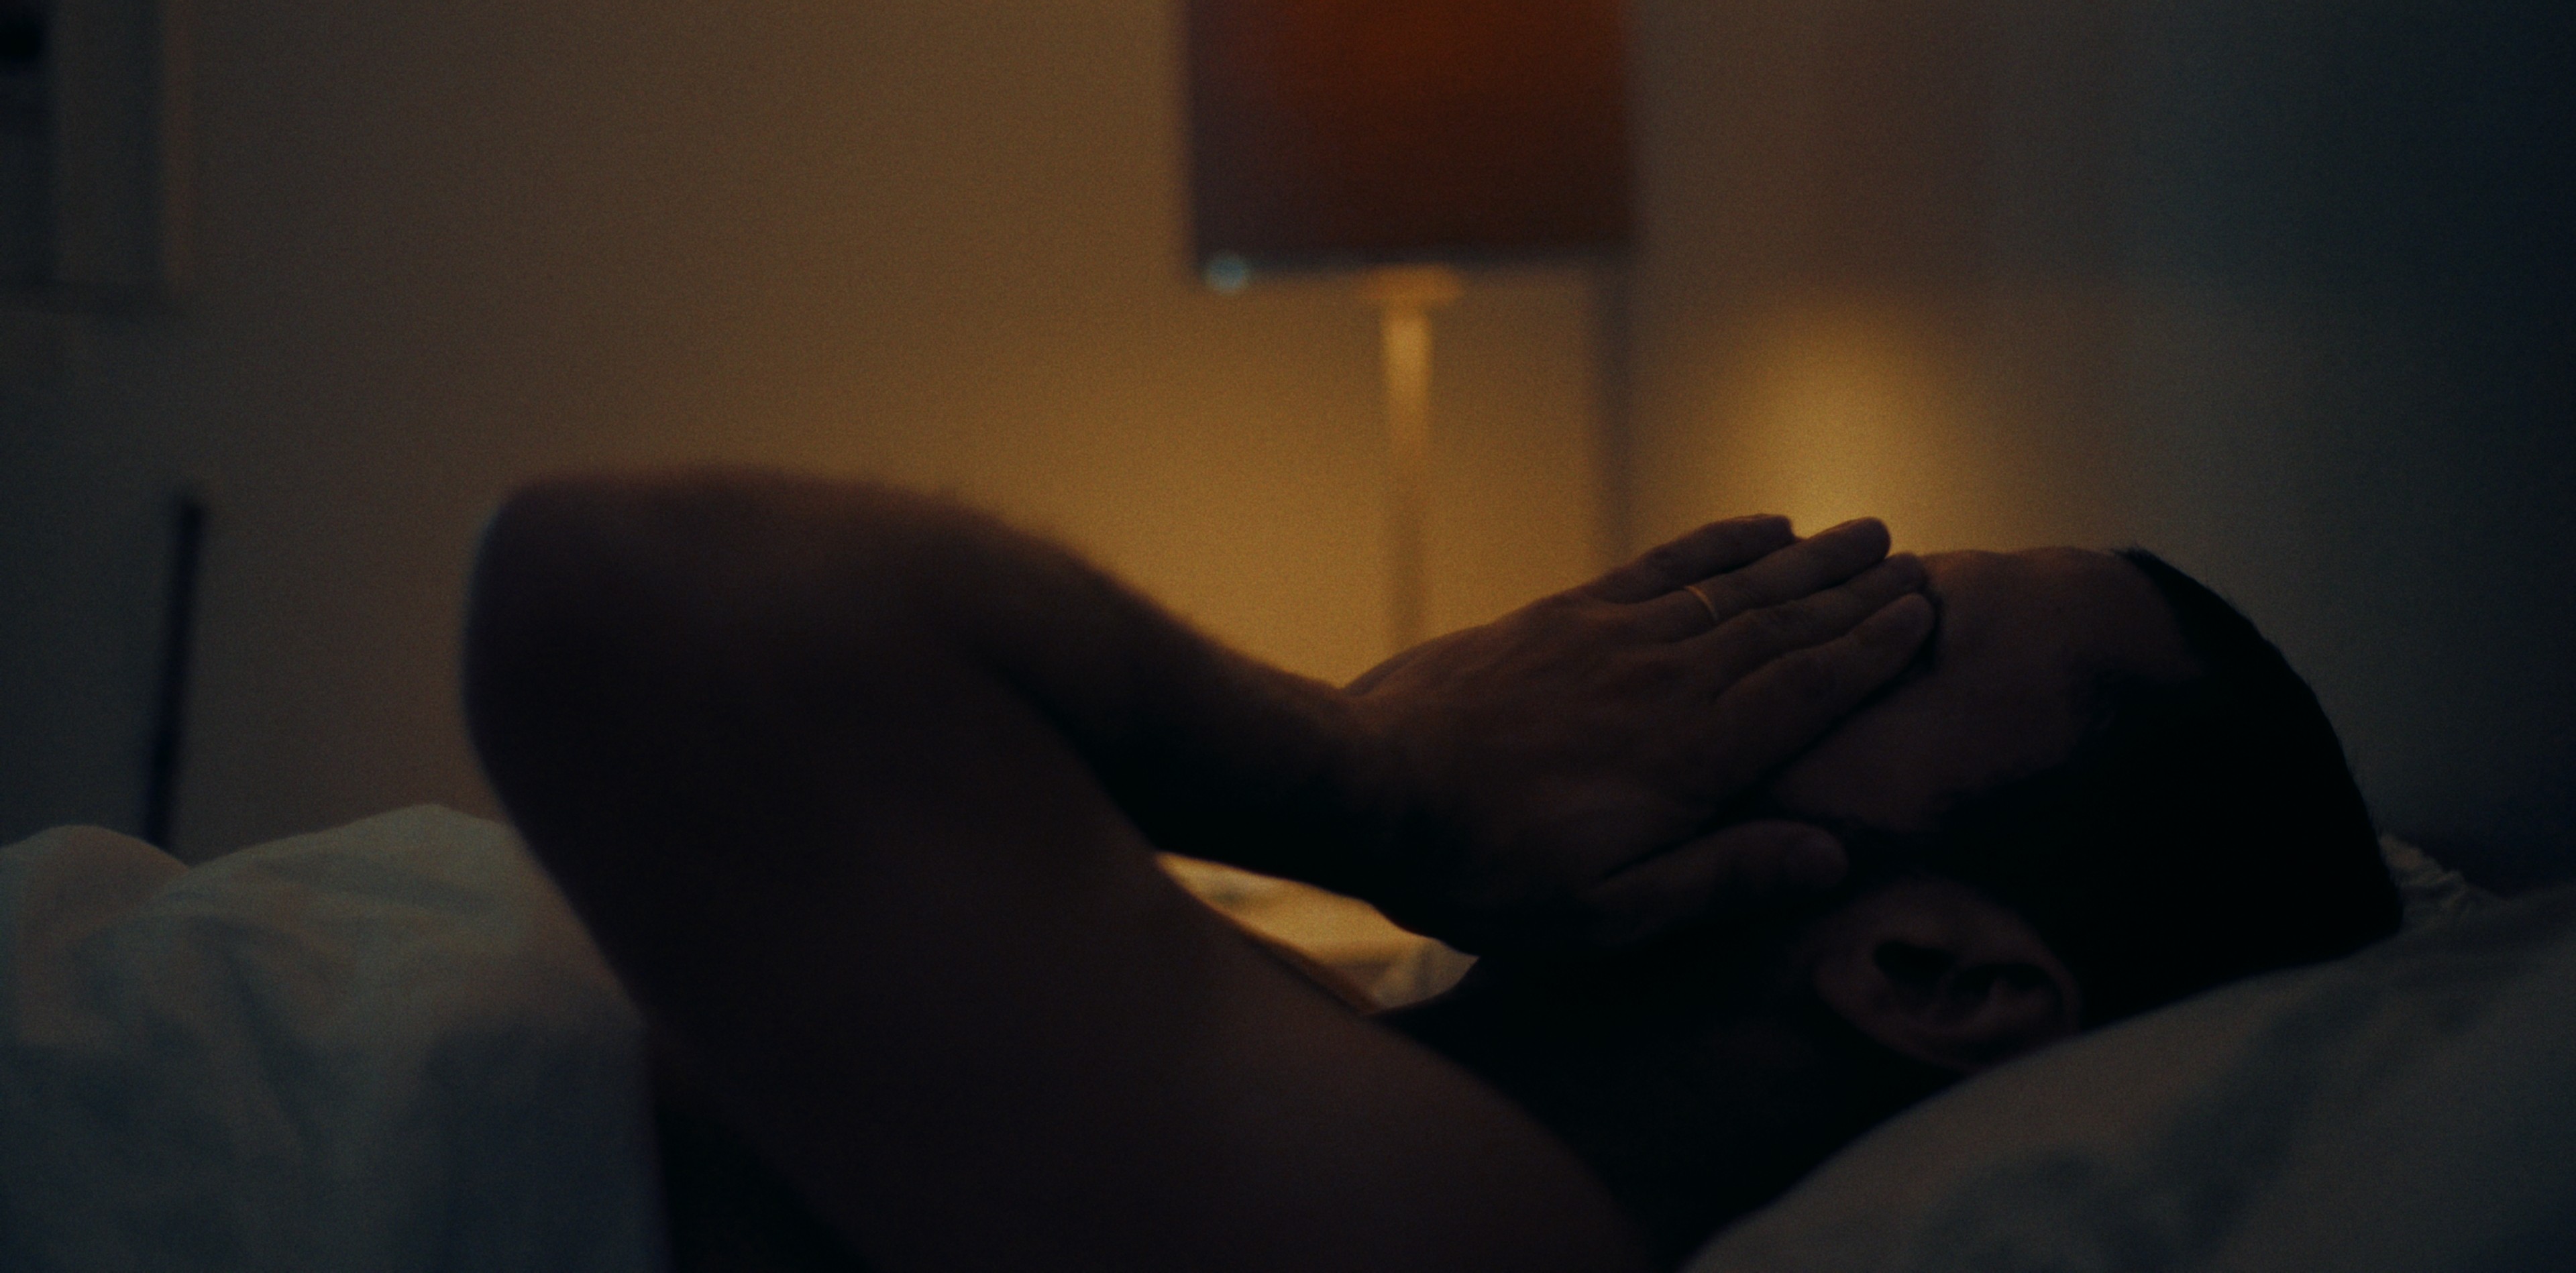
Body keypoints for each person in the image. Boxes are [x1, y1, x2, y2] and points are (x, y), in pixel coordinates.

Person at [461, 469, 2398, 1273]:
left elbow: (631, 591)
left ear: (1932, 976)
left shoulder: (1462, 1233)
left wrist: (1365, 776)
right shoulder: (1350, 1057)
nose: (1732, 601)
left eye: (1872, 631)